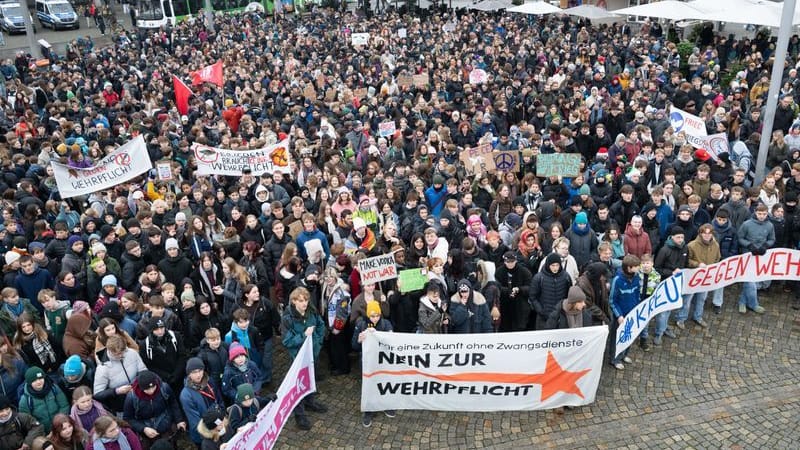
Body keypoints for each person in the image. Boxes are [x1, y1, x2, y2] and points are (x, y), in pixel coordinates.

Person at [281, 287, 327, 431]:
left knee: (311, 379)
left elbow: (320, 325)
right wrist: (304, 336)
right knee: (298, 385)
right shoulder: (287, 318)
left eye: (306, 300)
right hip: (298, 359)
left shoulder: (311, 311)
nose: (304, 303)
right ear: (294, 301)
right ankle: (299, 414)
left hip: (312, 354)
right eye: (301, 301)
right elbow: (287, 341)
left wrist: (318, 342)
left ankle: (310, 401)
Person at [352, 301, 394, 427]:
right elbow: (354, 345)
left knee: (384, 383)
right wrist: (359, 340)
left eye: (377, 315)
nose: (375, 318)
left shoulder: (386, 324)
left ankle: (385, 405)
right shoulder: (361, 324)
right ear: (368, 315)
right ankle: (368, 411)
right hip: (367, 362)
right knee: (369, 385)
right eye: (372, 316)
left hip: (382, 361)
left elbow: (392, 342)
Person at [122, 370, 186, 448]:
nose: (151, 391)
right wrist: (143, 429)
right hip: (146, 434)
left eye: (153, 387)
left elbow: (173, 403)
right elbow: (128, 419)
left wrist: (179, 420)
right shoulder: (131, 398)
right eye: (147, 389)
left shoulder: (164, 388)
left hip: (166, 426)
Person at [680, 224, 721, 330]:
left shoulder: (715, 245)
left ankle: (698, 317)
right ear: (700, 233)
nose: (707, 235)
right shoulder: (691, 245)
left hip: (706, 277)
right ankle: (681, 318)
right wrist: (697, 264)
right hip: (693, 277)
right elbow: (686, 261)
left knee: (702, 298)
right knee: (687, 299)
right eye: (704, 233)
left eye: (709, 233)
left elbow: (717, 258)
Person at [93, 335, 148, 414]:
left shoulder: (132, 353)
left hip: (140, 397)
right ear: (109, 350)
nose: (120, 356)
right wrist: (117, 391)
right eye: (116, 354)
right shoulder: (102, 368)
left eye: (122, 352)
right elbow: (98, 394)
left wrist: (138, 383)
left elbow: (143, 370)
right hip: (121, 406)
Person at [737, 204, 775, 314]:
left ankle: (743, 302)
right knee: (750, 281)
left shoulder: (770, 225)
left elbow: (772, 239)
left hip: (761, 256)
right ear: (755, 212)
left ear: (767, 213)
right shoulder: (747, 224)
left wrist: (766, 245)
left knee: (753, 281)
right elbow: (740, 238)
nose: (762, 216)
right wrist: (749, 245)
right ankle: (753, 304)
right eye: (759, 214)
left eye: (764, 214)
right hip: (748, 255)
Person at [653, 226, 688, 343]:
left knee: (670, 308)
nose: (680, 240)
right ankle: (659, 333)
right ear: (672, 237)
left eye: (682, 237)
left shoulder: (685, 248)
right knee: (663, 311)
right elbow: (657, 269)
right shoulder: (664, 250)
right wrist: (671, 273)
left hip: (677, 283)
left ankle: (664, 327)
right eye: (678, 237)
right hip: (665, 283)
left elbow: (685, 264)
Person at [179, 358, 224, 447]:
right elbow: (195, 422)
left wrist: (221, 418)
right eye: (194, 372)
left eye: (200, 370)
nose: (198, 375)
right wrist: (211, 432)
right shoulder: (186, 395)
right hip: (204, 435)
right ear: (189, 374)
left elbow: (220, 400)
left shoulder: (210, 381)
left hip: (219, 425)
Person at [609, 255, 642, 370]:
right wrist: (619, 315)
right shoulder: (617, 280)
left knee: (629, 335)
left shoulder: (637, 277)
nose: (639, 268)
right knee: (617, 338)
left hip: (632, 314)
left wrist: (638, 308)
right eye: (636, 266)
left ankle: (624, 355)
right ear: (629, 268)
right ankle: (614, 359)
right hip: (621, 316)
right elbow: (612, 301)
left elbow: (637, 294)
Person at [18, 366, 70, 434]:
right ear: (29, 382)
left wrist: (59, 423)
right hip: (43, 433)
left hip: (60, 427)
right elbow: (27, 422)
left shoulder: (54, 388)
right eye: (34, 380)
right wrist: (42, 434)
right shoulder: (25, 400)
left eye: (40, 378)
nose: (38, 382)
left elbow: (64, 405)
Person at [530, 253, 572, 330]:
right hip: (544, 317)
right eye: (552, 265)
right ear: (548, 265)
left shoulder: (566, 277)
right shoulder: (539, 278)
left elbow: (569, 295)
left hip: (561, 316)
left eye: (557, 265)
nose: (555, 268)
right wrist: (541, 311)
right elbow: (533, 297)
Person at [495, 251, 532, 332]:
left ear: (516, 261)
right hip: (504, 306)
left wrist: (519, 289)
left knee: (519, 329)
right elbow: (497, 286)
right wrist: (508, 291)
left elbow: (530, 287)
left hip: (520, 307)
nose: (510, 264)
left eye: (512, 262)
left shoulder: (524, 271)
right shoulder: (499, 271)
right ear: (504, 262)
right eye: (508, 262)